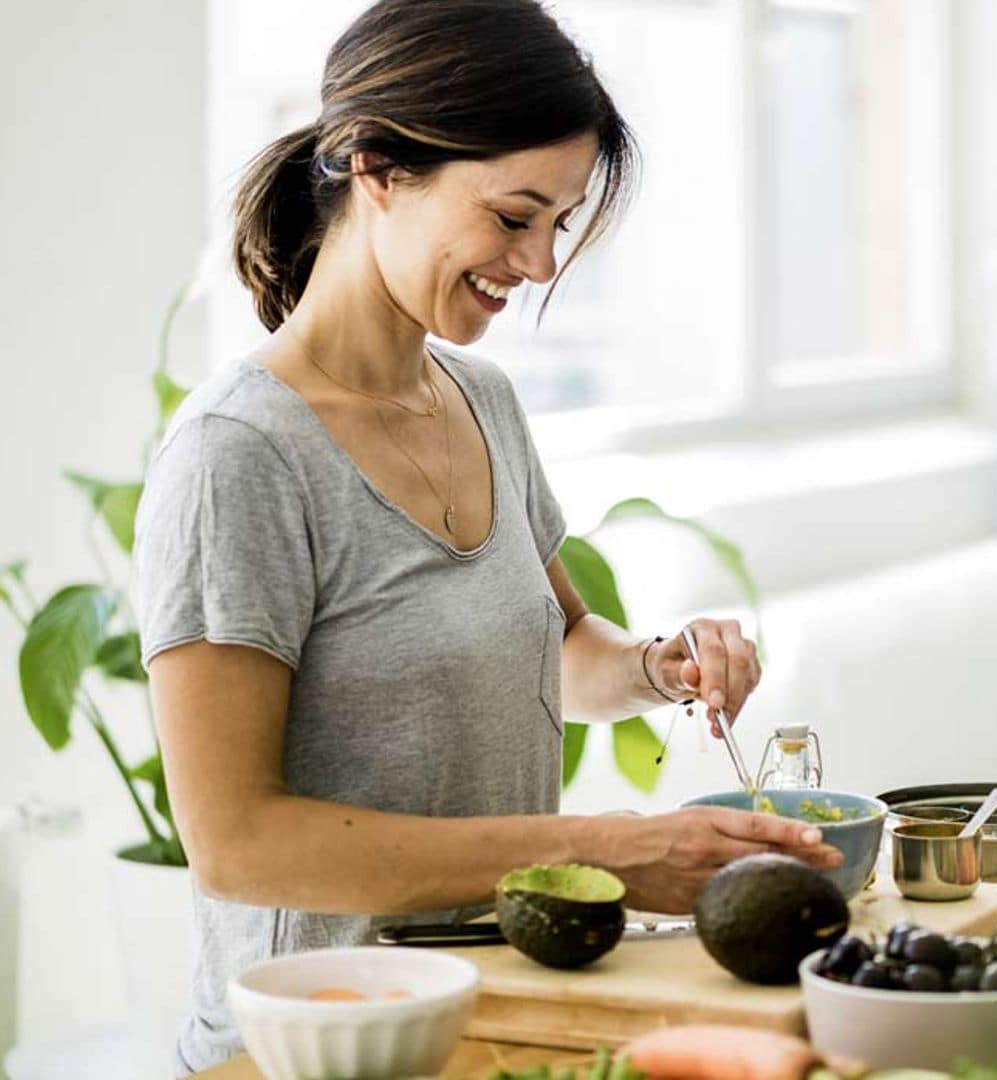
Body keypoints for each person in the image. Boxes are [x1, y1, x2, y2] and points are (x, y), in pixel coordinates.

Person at [132, 1, 841, 1072]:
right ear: (377, 167)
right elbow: (238, 843)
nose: (542, 262)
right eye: (515, 217)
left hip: (494, 1009)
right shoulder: (239, 454)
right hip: (318, 1043)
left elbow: (555, 654)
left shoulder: (482, 400)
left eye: (558, 222)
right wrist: (607, 849)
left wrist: (660, 666)